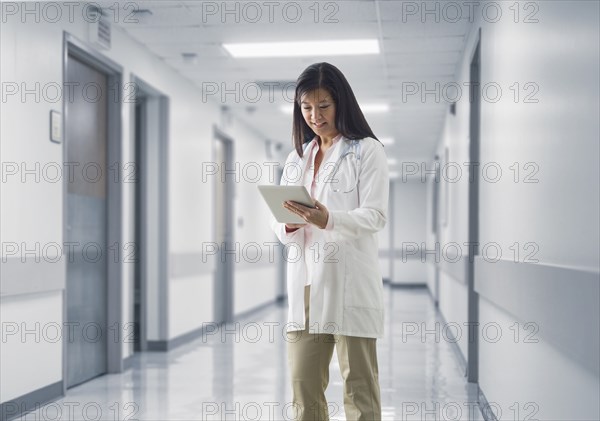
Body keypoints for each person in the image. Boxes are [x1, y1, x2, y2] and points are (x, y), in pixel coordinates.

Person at [270, 62, 389, 421]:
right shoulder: (297, 159)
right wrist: (288, 227)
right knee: (303, 388)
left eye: (323, 106)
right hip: (305, 285)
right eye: (306, 107)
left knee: (359, 388)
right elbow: (279, 222)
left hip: (349, 284)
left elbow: (375, 216)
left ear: (341, 103)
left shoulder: (366, 151)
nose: (314, 116)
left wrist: (329, 219)